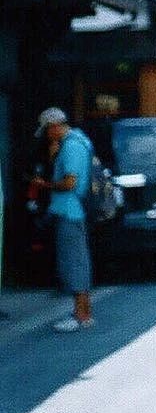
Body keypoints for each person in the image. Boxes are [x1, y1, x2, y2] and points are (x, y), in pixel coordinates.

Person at [31, 108, 94, 331]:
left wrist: (44, 185)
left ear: (55, 126)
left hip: (69, 210)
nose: (48, 135)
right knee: (78, 260)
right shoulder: (79, 141)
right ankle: (84, 313)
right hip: (74, 210)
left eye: (48, 130)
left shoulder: (71, 146)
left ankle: (80, 315)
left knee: (72, 262)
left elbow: (69, 183)